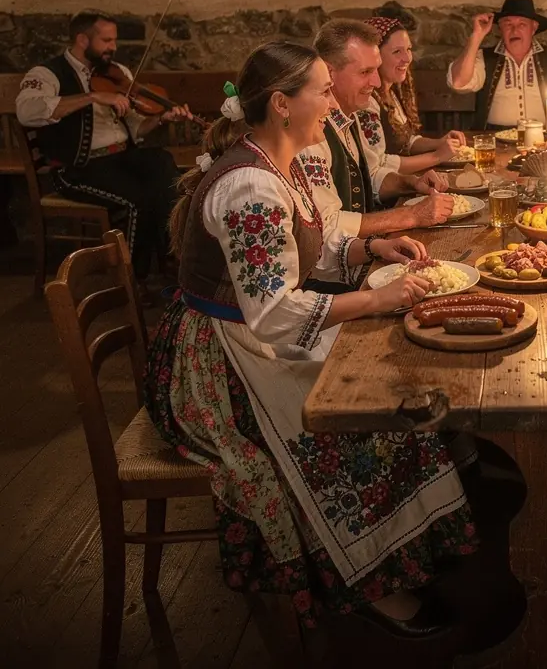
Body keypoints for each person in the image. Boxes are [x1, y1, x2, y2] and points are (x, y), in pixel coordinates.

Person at [145, 41, 474, 636]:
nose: (332, 102)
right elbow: (273, 311)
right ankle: (370, 581)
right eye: (322, 91)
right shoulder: (248, 187)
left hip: (255, 332)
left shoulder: (282, 162)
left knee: (392, 384)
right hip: (223, 359)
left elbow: (308, 248)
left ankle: (400, 553)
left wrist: (369, 247)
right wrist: (377, 298)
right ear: (281, 104)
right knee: (363, 415)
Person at [16, 10, 193, 281]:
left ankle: (173, 257)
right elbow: (26, 111)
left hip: (121, 158)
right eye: (107, 40)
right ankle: (132, 280)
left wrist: (161, 118)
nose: (114, 47)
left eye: (114, 40)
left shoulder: (117, 73)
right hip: (78, 168)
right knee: (139, 200)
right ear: (82, 40)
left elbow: (136, 127)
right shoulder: (47, 74)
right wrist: (92, 97)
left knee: (163, 165)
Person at [308, 18, 455, 239]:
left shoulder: (350, 115)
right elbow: (326, 225)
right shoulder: (311, 133)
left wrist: (411, 182)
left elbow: (372, 176)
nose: (376, 82)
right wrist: (411, 215)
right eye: (365, 72)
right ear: (329, 73)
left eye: (376, 70)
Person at [447, 0, 547, 130]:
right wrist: (476, 37)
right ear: (500, 28)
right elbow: (459, 83)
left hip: (544, 141)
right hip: (494, 141)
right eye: (508, 24)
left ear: (533, 28)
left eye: (522, 25)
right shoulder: (484, 57)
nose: (514, 31)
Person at [366, 14, 466, 168]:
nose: (407, 58)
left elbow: (405, 142)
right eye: (397, 52)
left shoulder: (393, 93)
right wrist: (437, 156)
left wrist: (439, 143)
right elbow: (380, 165)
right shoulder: (368, 103)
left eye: (408, 49)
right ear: (375, 56)